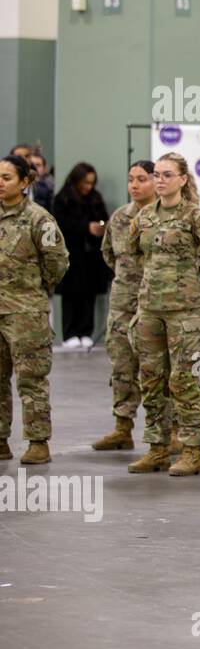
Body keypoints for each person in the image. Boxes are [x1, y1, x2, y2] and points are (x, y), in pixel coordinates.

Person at [126, 152, 200, 478]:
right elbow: (136, 253)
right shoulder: (144, 217)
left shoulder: (195, 217)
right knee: (152, 379)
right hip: (150, 309)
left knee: (184, 381)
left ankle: (191, 451)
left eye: (167, 175)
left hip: (186, 312)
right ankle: (157, 448)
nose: (160, 180)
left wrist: (195, 277)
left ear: (183, 180)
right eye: (156, 174)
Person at [94, 160, 167, 453]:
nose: (135, 185)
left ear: (156, 182)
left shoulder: (166, 217)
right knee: (122, 366)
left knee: (160, 369)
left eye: (142, 179)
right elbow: (109, 255)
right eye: (131, 179)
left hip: (157, 302)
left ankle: (167, 430)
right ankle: (122, 427)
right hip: (124, 301)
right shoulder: (120, 217)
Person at [0, 154, 68, 464]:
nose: (0, 183)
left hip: (27, 313)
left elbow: (57, 263)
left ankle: (38, 442)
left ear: (25, 183)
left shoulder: (39, 219)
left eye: (7, 178)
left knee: (31, 379)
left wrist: (34, 289)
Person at [51, 162, 110, 348]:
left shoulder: (96, 198)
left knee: (89, 295)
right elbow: (60, 224)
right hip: (71, 254)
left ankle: (86, 331)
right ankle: (69, 333)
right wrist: (85, 227)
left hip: (91, 256)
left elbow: (104, 218)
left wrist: (100, 227)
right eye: (85, 182)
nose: (88, 187)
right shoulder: (62, 199)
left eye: (91, 183)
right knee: (71, 296)